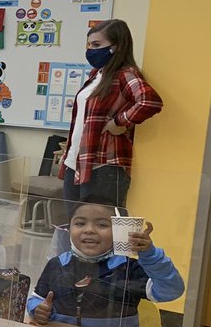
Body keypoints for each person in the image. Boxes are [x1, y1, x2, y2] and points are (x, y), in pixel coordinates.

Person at [28, 200, 184, 327]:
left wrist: (150, 256)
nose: (89, 230)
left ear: (118, 231)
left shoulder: (128, 268)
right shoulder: (57, 265)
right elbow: (37, 298)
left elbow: (171, 291)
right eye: (80, 223)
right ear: (69, 228)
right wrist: (38, 310)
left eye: (102, 225)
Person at [60, 19, 162, 212]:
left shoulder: (125, 74)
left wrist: (120, 122)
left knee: (103, 228)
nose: (90, 50)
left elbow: (150, 101)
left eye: (97, 45)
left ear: (117, 46)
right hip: (75, 163)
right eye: (89, 44)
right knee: (75, 226)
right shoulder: (96, 75)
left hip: (104, 166)